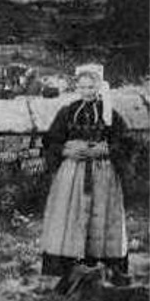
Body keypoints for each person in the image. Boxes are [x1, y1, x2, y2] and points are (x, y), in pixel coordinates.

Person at [40, 64, 129, 280]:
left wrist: (106, 149)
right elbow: (51, 140)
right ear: (77, 87)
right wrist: (66, 149)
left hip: (102, 173)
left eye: (91, 87)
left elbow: (125, 142)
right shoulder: (68, 111)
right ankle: (69, 267)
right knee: (71, 213)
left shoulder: (110, 114)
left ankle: (105, 265)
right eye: (83, 87)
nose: (87, 92)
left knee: (102, 213)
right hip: (72, 174)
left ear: (99, 87)